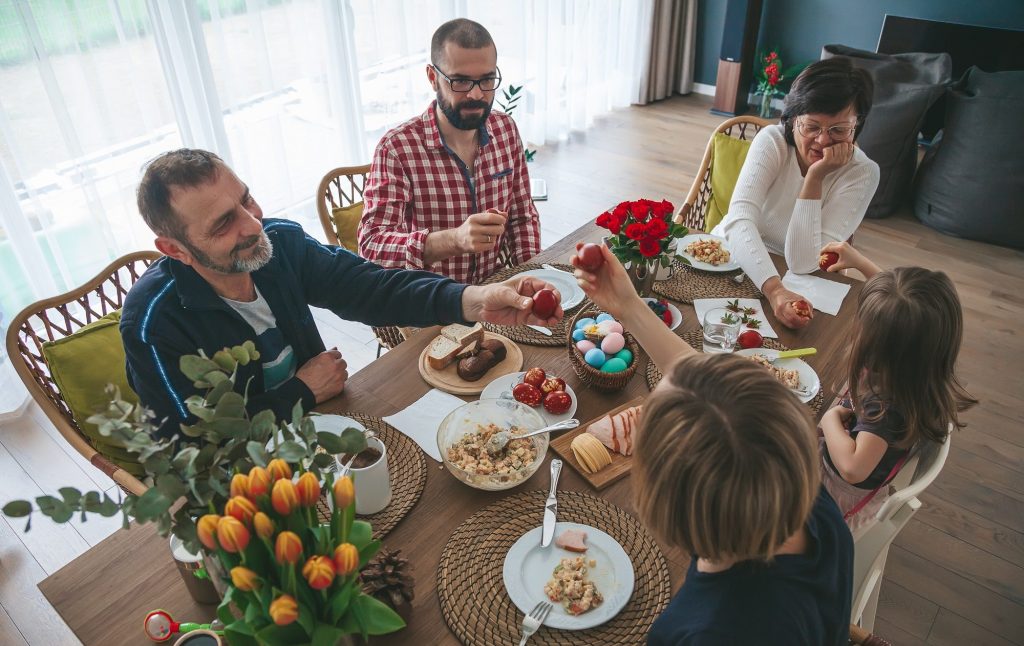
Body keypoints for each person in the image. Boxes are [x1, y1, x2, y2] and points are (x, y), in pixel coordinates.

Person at [122, 149, 561, 441]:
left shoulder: (280, 242)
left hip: (330, 425)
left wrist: (474, 300)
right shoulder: (153, 324)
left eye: (246, 199)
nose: (253, 223)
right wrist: (301, 391)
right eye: (223, 224)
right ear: (175, 249)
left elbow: (372, 288)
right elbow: (192, 439)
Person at [572, 243, 853, 645]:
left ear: (661, 502)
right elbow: (700, 380)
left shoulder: (696, 632)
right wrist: (629, 306)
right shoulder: (811, 507)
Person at [358, 18, 541, 284]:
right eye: (461, 82)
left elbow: (522, 218)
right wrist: (454, 240)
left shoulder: (505, 129)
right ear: (433, 78)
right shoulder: (397, 149)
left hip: (496, 290)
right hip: (430, 303)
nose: (477, 95)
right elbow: (372, 245)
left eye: (487, 79)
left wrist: (532, 277)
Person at [816, 241, 977, 531]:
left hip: (830, 501)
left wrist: (829, 421)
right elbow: (902, 308)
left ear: (883, 345)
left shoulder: (886, 406)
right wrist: (861, 263)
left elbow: (852, 469)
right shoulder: (920, 366)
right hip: (844, 464)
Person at [711, 57, 879, 329]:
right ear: (792, 118)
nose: (823, 140)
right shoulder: (772, 141)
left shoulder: (863, 173)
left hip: (798, 280)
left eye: (839, 130)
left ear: (857, 125)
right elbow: (739, 219)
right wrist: (774, 290)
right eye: (812, 127)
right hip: (736, 256)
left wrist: (814, 178)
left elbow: (805, 262)